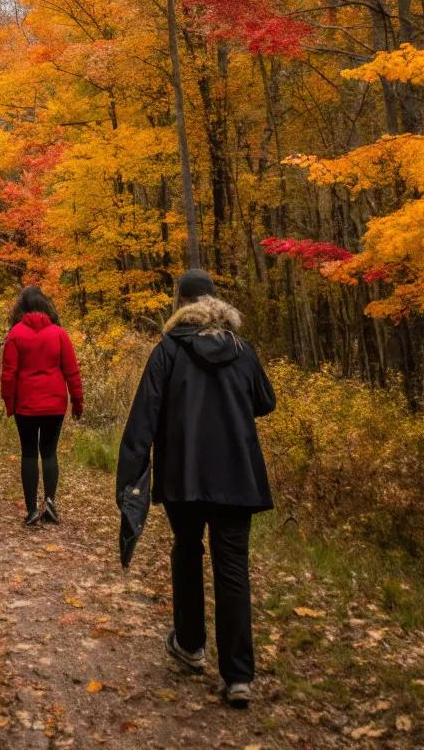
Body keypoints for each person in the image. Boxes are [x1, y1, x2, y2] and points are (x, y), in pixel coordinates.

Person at [116, 269, 276, 711]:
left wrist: (129, 481)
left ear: (180, 303)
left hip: (183, 475)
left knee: (187, 550)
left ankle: (189, 645)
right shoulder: (243, 351)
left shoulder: (168, 350)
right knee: (232, 566)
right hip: (236, 475)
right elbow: (266, 402)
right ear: (215, 302)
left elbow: (143, 419)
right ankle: (239, 675)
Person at [0, 285, 83, 526]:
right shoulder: (59, 333)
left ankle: (31, 510)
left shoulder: (15, 334)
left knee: (28, 452)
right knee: (49, 452)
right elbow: (72, 371)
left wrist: (9, 402)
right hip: (55, 404)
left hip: (26, 404)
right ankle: (50, 502)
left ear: (21, 308)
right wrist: (77, 401)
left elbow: (9, 374)